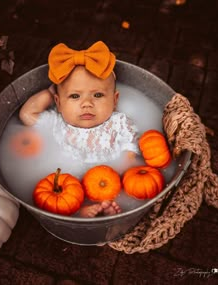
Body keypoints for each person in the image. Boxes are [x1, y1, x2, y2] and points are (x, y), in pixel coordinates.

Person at [19, 41, 140, 218]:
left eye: (98, 95)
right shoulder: (56, 122)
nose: (87, 104)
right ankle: (78, 211)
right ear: (58, 103)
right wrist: (50, 92)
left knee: (115, 186)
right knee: (62, 191)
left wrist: (122, 168)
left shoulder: (118, 121)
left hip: (107, 178)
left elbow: (131, 146)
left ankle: (103, 205)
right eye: (75, 96)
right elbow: (27, 114)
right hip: (68, 181)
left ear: (114, 101)